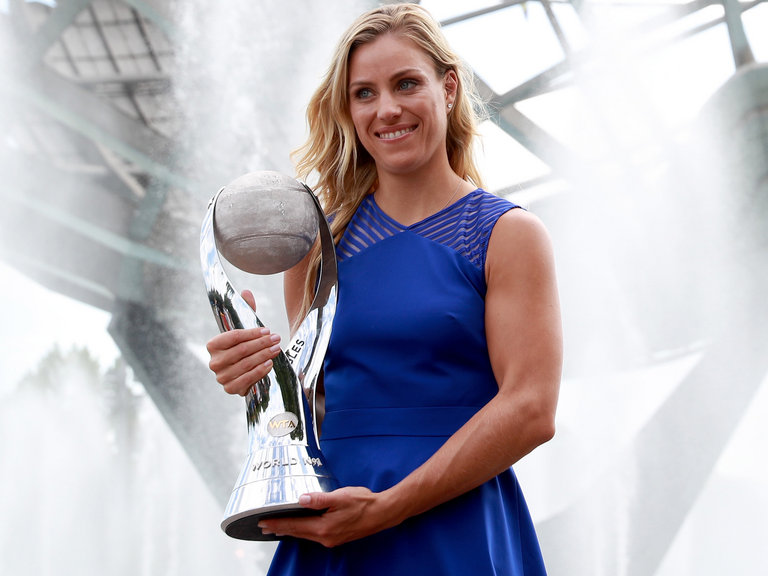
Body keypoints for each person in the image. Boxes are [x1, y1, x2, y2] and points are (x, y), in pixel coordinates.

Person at [206, 4, 562, 575]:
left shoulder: (508, 235)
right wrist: (257, 378)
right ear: (347, 111)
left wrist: (389, 509)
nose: (387, 109)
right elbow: (313, 409)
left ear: (448, 88)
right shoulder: (316, 246)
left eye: (406, 84)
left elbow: (531, 409)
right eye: (364, 93)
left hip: (457, 526)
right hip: (334, 527)